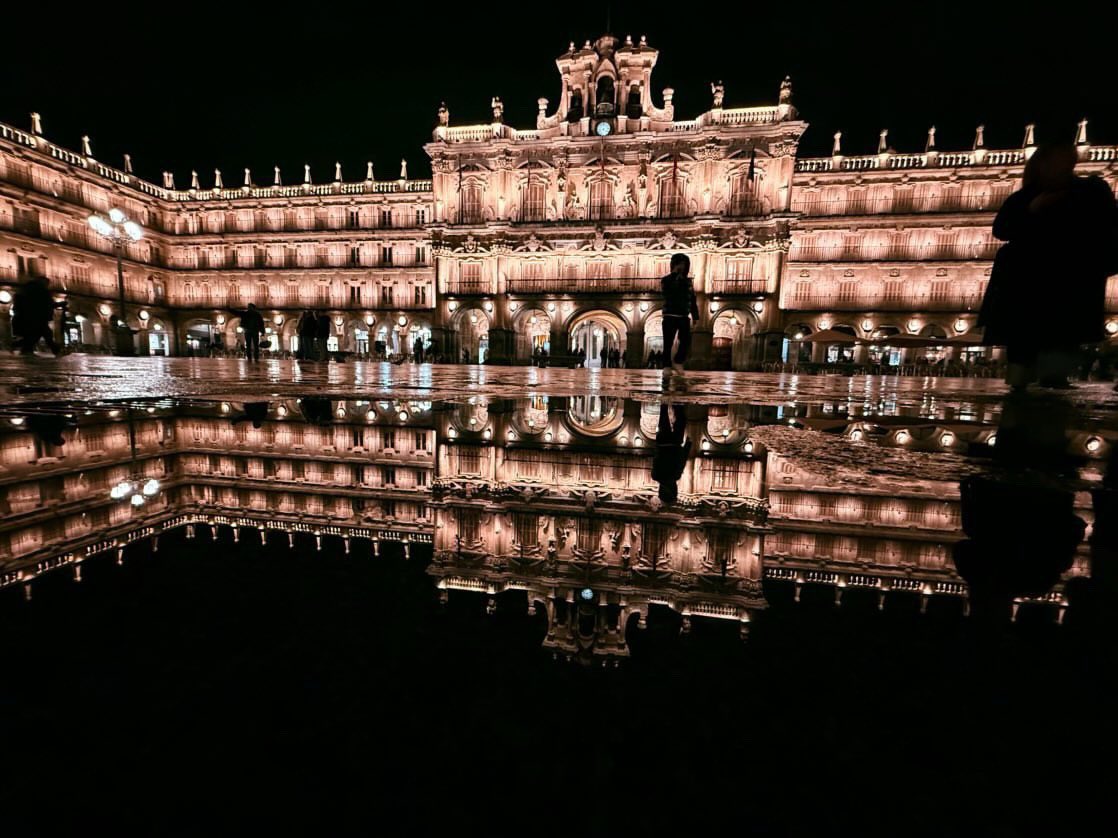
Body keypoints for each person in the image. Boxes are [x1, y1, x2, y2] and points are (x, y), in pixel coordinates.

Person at [979, 143, 1118, 390]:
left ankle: (1045, 380)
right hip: (1031, 276)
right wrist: (1033, 209)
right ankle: (1029, 380)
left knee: (1058, 331)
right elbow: (1001, 229)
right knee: (1033, 332)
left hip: (1066, 274)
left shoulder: (1090, 190)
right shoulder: (1027, 197)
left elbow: (1109, 225)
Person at [661, 253, 700, 376]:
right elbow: (668, 292)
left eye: (684, 264)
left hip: (683, 316)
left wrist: (695, 315)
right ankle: (666, 366)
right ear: (674, 265)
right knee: (668, 342)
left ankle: (678, 361)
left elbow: (692, 299)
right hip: (669, 315)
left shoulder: (688, 282)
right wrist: (675, 276)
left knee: (686, 341)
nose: (682, 267)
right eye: (680, 264)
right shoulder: (666, 280)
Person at [652, 403, 691, 504]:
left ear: (673, 489)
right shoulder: (656, 476)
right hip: (662, 443)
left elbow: (682, 460)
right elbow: (655, 458)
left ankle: (678, 404)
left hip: (675, 443)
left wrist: (687, 446)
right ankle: (666, 399)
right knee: (663, 416)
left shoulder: (675, 476)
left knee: (681, 420)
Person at [12, 277, 63, 356]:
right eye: (47, 283)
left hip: (29, 317)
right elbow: (46, 303)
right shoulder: (41, 291)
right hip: (38, 317)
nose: (48, 285)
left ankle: (25, 349)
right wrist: (59, 304)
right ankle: (55, 350)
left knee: (36, 335)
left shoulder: (26, 289)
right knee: (45, 334)